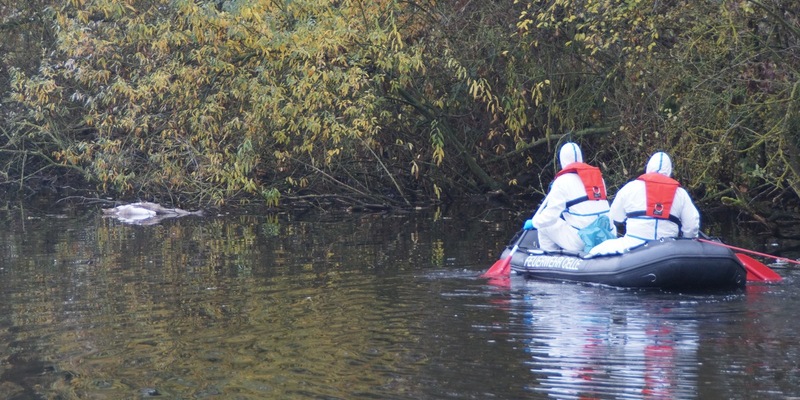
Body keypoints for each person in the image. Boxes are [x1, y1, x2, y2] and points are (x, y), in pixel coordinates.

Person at [588, 151, 700, 255]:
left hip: (633, 245)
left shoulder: (630, 188)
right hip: (668, 250)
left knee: (595, 251)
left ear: (648, 168)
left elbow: (615, 217)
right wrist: (686, 243)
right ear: (669, 171)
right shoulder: (681, 193)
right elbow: (691, 225)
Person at [522, 142, 615, 252]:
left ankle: (551, 257)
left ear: (562, 160)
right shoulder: (599, 178)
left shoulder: (561, 181)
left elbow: (551, 216)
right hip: (607, 235)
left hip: (583, 240)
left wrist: (534, 222)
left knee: (543, 226)